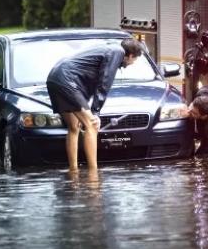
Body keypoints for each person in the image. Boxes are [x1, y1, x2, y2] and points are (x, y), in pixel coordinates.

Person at [46, 38, 143, 171]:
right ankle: (93, 173)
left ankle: (73, 171)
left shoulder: (108, 49)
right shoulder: (117, 52)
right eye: (135, 60)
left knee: (74, 127)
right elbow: (105, 81)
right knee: (92, 124)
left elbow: (88, 82)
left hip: (54, 77)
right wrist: (95, 112)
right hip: (67, 79)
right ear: (131, 55)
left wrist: (88, 107)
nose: (132, 63)